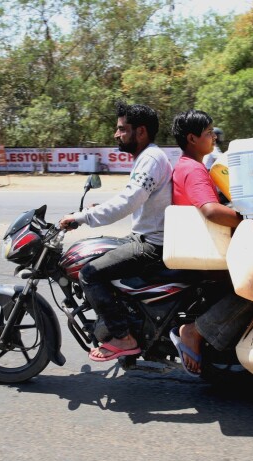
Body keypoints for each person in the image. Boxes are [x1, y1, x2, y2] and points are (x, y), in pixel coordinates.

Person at [59, 102, 173, 362]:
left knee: (89, 274)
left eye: (122, 129)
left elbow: (128, 202)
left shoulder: (151, 159)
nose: (116, 134)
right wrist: (98, 208)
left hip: (152, 244)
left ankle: (122, 337)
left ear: (140, 131)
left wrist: (82, 217)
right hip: (147, 236)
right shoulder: (147, 158)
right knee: (99, 251)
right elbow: (131, 197)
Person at [168, 109, 253, 377]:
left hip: (201, 246)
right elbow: (210, 210)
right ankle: (195, 331)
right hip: (203, 252)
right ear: (192, 138)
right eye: (208, 133)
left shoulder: (188, 165)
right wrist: (250, 221)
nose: (213, 138)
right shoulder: (194, 169)